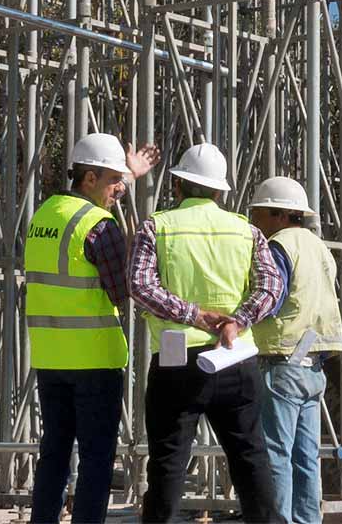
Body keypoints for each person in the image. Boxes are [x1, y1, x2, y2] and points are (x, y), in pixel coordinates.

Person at [129, 143, 284, 523]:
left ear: (178, 185)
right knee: (250, 458)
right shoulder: (245, 231)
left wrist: (193, 315)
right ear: (219, 191)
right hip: (234, 356)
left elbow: (140, 284)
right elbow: (271, 287)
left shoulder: (158, 227)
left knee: (168, 461)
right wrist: (238, 321)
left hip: (175, 359)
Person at [23, 133, 159, 524]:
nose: (120, 188)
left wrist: (128, 174)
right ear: (89, 179)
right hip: (95, 361)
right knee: (97, 459)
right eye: (114, 180)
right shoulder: (99, 225)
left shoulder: (45, 215)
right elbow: (122, 291)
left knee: (54, 454)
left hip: (51, 358)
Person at [248, 176, 342, 524]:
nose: (253, 221)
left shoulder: (280, 246)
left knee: (276, 454)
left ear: (278, 214)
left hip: (283, 361)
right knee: (306, 457)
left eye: (257, 213)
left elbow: (271, 299)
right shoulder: (320, 248)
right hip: (314, 365)